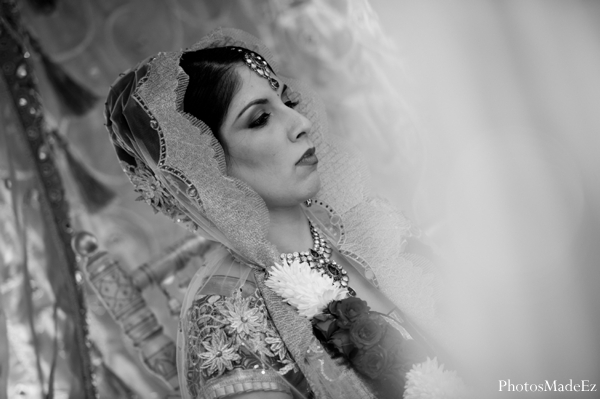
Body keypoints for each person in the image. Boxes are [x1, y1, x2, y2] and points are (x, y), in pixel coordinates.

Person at [105, 28, 458, 399]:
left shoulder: (355, 228)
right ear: (206, 165)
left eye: (287, 103)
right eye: (259, 119)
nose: (300, 124)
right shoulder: (229, 320)